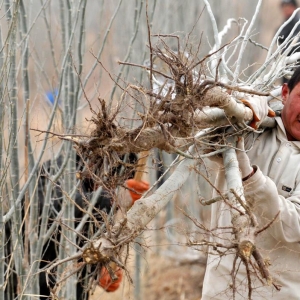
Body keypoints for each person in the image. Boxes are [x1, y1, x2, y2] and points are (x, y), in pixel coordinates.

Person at [201, 66, 300, 299]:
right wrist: (239, 106)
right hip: (221, 291)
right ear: (284, 93)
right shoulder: (252, 129)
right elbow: (205, 140)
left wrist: (249, 177)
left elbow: (293, 224)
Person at [278, 0, 300, 83]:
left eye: (288, 6)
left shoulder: (297, 21)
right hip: (287, 62)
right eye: (284, 6)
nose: (285, 9)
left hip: (295, 63)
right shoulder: (287, 21)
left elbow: (295, 42)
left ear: (294, 7)